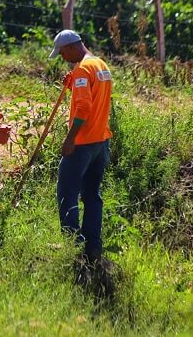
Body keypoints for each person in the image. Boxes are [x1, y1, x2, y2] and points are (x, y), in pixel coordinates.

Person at [48, 29, 113, 265]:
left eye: (63, 52)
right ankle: (93, 247)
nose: (63, 57)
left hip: (83, 143)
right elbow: (95, 97)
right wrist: (74, 81)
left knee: (67, 193)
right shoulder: (100, 65)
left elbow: (84, 108)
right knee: (91, 195)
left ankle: (72, 247)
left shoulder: (83, 70)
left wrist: (70, 139)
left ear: (74, 47)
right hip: (101, 142)